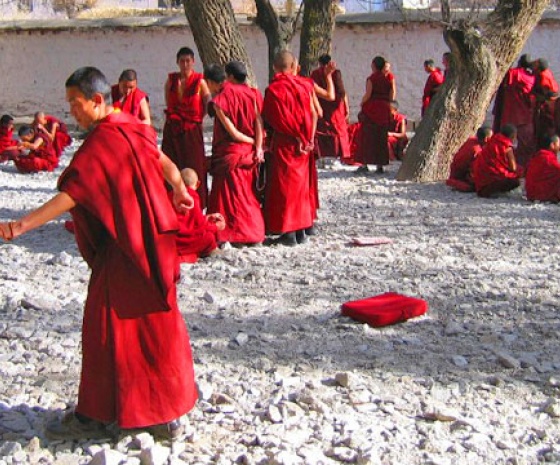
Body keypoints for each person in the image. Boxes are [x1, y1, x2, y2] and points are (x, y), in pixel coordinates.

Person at [0, 67, 197, 440]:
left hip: (126, 250)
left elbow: (75, 193)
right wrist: (177, 190)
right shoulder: (132, 126)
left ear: (96, 100)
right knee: (155, 324)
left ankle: (96, 415)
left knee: (106, 328)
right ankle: (161, 414)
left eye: (76, 104)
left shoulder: (104, 139)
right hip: (152, 242)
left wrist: (20, 225)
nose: (72, 111)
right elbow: (161, 160)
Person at [205, 61, 266, 247]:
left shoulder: (219, 100)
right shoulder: (253, 93)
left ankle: (228, 234)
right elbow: (258, 122)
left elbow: (233, 133)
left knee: (227, 198)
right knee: (247, 195)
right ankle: (254, 234)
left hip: (232, 152)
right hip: (249, 154)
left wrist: (252, 142)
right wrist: (258, 146)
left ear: (211, 82)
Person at [262, 50, 317, 246]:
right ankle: (302, 229)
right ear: (293, 66)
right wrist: (308, 138)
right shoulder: (304, 86)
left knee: (285, 187)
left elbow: (270, 118)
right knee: (300, 187)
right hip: (303, 144)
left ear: (274, 67)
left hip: (285, 143)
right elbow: (313, 113)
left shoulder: (274, 90)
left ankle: (288, 233)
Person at [162, 47, 211, 208]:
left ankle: (198, 202)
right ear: (177, 62)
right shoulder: (171, 81)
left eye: (188, 61)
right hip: (173, 129)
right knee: (171, 164)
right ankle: (171, 201)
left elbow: (207, 103)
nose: (185, 65)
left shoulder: (200, 81)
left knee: (195, 165)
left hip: (191, 129)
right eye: (182, 61)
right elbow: (169, 102)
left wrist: (196, 119)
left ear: (193, 62)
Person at [492, 54, 535, 167]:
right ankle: (524, 166)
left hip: (513, 114)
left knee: (503, 142)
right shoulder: (531, 77)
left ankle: (511, 164)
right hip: (526, 115)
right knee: (526, 144)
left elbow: (503, 76)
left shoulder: (515, 74)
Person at [174, 168, 225, 262]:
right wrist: (216, 227)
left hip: (171, 240)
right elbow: (199, 226)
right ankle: (209, 251)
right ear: (198, 184)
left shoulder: (172, 195)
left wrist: (206, 218)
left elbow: (189, 220)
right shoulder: (192, 196)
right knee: (209, 237)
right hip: (183, 242)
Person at [355, 56, 395, 174]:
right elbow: (391, 93)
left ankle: (364, 164)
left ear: (373, 65)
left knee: (367, 137)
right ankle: (380, 165)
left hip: (372, 109)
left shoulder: (371, 78)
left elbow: (368, 94)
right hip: (383, 109)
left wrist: (362, 102)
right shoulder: (387, 79)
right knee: (380, 138)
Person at [310, 55, 351, 161]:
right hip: (336, 106)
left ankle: (322, 156)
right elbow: (342, 92)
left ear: (319, 63)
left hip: (323, 104)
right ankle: (337, 156)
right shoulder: (335, 72)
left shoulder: (315, 73)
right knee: (337, 130)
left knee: (323, 130)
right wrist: (346, 107)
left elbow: (313, 91)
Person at [473, 124, 521, 197]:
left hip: (479, 185)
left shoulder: (492, 140)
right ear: (513, 136)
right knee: (516, 180)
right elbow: (513, 168)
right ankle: (497, 192)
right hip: (490, 186)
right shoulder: (506, 146)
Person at [446, 126, 493, 192]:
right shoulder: (476, 150)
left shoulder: (472, 140)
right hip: (460, 174)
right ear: (486, 139)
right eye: (491, 137)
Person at [525, 134, 560, 202]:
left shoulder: (538, 156)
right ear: (552, 145)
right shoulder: (548, 158)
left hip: (531, 194)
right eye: (558, 144)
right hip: (540, 194)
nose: (559, 147)